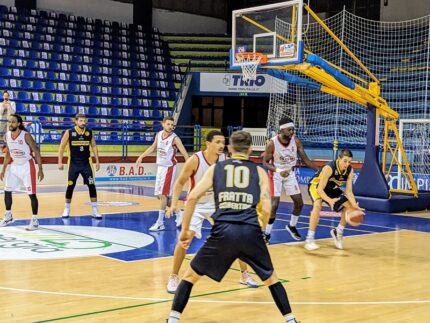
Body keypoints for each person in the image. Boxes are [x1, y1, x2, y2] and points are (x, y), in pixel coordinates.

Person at [167, 131, 297, 323]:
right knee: (272, 279)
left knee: (190, 276)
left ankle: (172, 319)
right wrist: (259, 229)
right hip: (250, 230)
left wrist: (185, 230)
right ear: (251, 149)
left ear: (229, 148)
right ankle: (291, 320)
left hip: (223, 231)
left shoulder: (217, 168)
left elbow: (192, 197)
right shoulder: (259, 172)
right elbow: (267, 208)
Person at [165, 130, 258, 293]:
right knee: (186, 239)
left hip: (216, 204)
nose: (221, 145)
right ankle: (173, 276)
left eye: (223, 142)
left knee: (235, 237)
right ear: (208, 143)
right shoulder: (195, 160)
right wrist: (174, 204)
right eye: (217, 142)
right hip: (196, 205)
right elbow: (179, 183)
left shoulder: (225, 160)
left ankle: (245, 274)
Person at [262, 117, 318, 243]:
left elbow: (305, 159)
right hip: (275, 173)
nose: (292, 131)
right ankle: (267, 233)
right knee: (274, 205)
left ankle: (292, 226)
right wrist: (278, 171)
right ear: (282, 130)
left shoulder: (296, 141)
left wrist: (319, 170)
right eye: (290, 129)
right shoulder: (272, 143)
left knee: (299, 203)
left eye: (293, 129)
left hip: (290, 173)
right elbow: (265, 162)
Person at [136, 116, 189, 231]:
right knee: (159, 196)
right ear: (163, 124)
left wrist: (188, 168)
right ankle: (179, 213)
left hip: (169, 168)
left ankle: (160, 222)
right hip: (160, 167)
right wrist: (141, 156)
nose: (171, 127)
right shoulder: (159, 134)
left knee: (164, 195)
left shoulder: (175, 139)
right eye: (168, 124)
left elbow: (185, 154)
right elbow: (153, 147)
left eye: (172, 125)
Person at [304, 149, 362, 251]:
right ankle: (309, 239)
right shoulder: (329, 168)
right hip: (316, 186)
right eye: (345, 161)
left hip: (331, 188)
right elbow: (320, 189)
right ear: (339, 159)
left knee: (349, 206)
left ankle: (338, 232)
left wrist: (354, 205)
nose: (347, 164)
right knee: (317, 205)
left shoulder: (349, 170)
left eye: (349, 162)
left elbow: (349, 192)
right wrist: (329, 201)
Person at [0, 114, 44, 230]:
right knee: (7, 190)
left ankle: (35, 220)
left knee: (31, 194)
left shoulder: (26, 135)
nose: (10, 124)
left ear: (19, 124)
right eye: (9, 122)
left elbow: (36, 150)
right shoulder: (7, 136)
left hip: (27, 165)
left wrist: (40, 168)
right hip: (14, 166)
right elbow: (8, 153)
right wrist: (3, 169)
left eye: (13, 122)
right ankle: (8, 215)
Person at [58, 114, 101, 218]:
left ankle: (95, 210)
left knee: (92, 186)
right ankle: (66, 209)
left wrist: (97, 161)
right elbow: (62, 147)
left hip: (86, 163)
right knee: (70, 186)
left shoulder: (89, 132)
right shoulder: (69, 132)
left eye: (84, 121)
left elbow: (94, 146)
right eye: (81, 121)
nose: (83, 122)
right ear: (76, 121)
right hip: (73, 164)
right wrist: (60, 161)